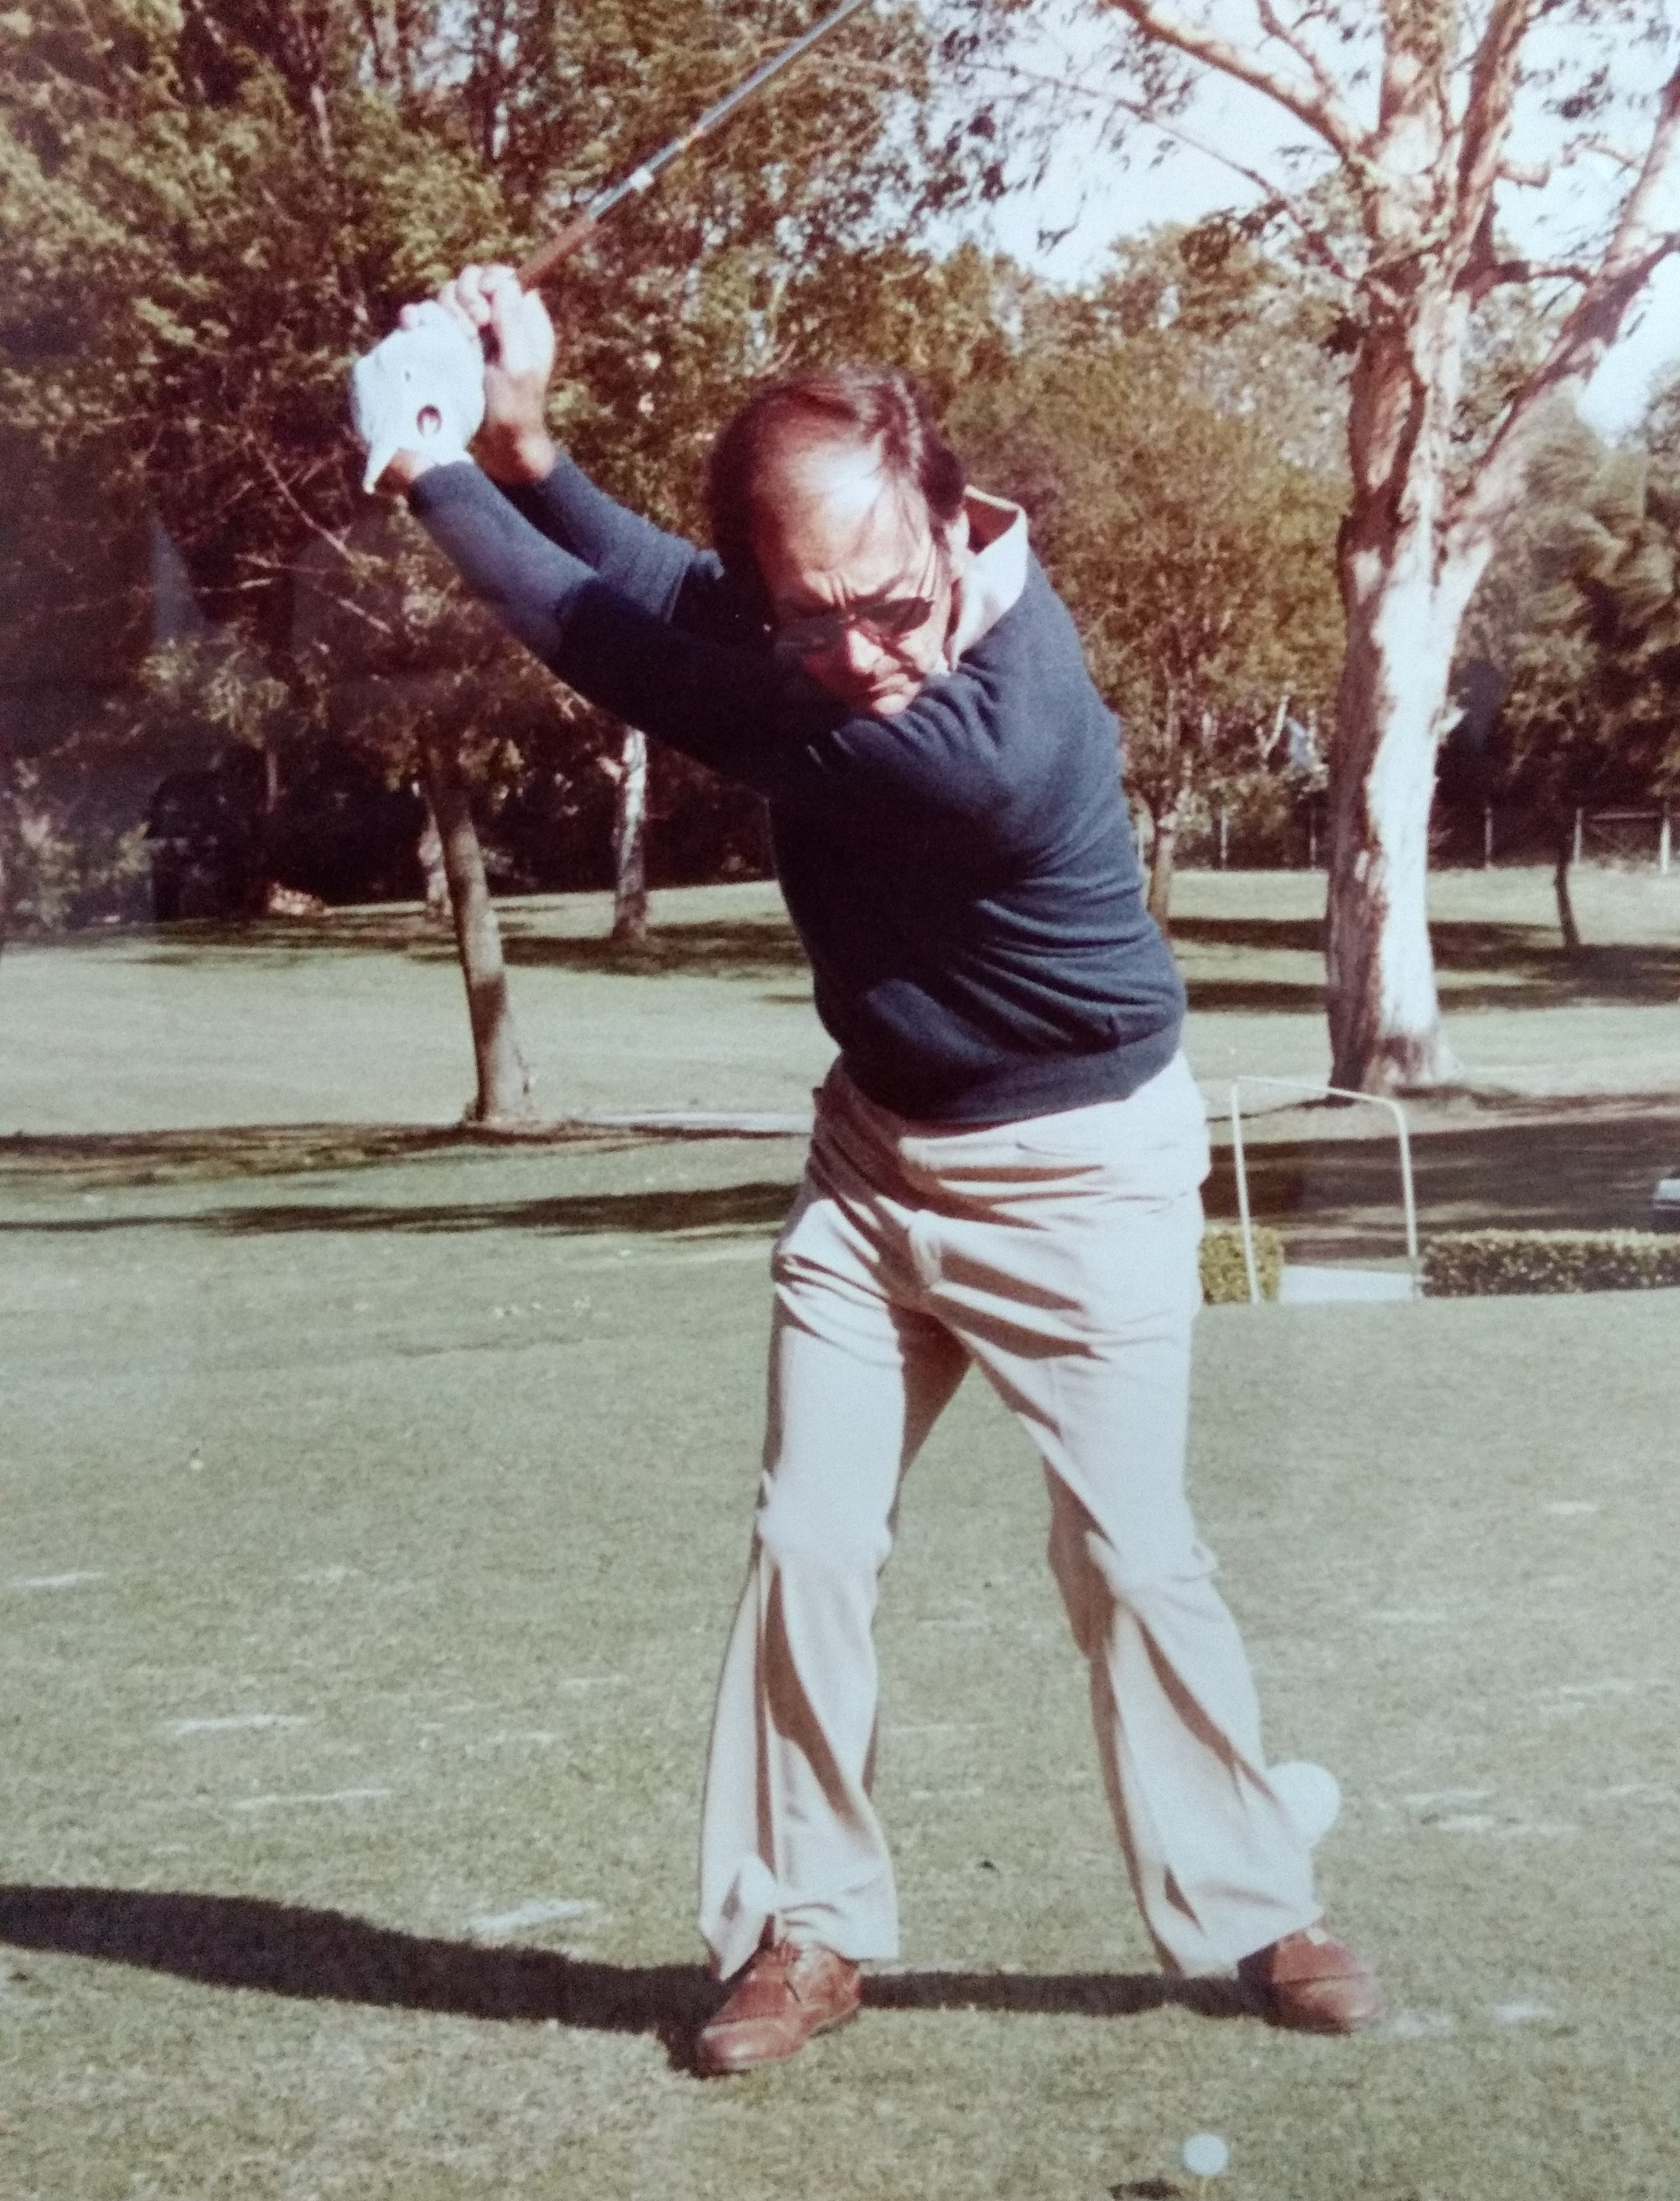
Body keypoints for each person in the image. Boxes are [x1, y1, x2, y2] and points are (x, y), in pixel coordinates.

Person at [358, 261, 1383, 2074]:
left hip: (1083, 1170)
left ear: (952, 519)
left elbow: (631, 655)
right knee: (808, 1544)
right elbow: (681, 591)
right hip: (874, 1163)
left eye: (889, 605)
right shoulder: (825, 618)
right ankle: (806, 1928)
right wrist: (525, 453)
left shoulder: (986, 733)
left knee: (1131, 1555)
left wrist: (427, 469)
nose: (858, 653)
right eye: (811, 616)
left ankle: (1253, 1900)